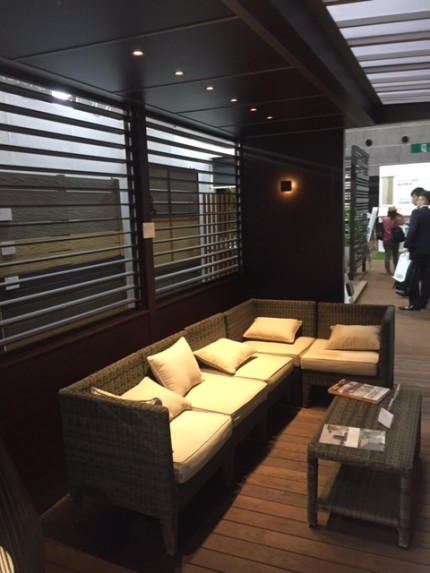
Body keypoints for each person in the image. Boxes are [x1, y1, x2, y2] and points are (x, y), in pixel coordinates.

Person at [399, 190, 430, 311]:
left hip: (417, 250)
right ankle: (423, 301)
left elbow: (412, 231)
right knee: (426, 276)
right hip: (428, 250)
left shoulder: (417, 212)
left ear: (423, 200)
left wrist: (406, 245)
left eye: (418, 198)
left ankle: (414, 303)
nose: (416, 201)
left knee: (413, 276)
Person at [381, 206, 405, 275]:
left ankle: (387, 270)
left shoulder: (385, 219)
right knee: (395, 255)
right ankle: (396, 270)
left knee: (387, 255)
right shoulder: (396, 219)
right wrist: (399, 215)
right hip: (394, 240)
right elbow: (402, 222)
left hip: (386, 239)